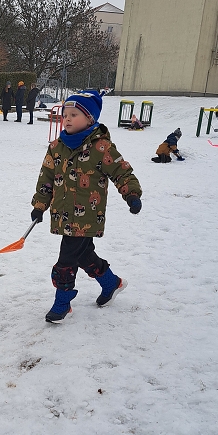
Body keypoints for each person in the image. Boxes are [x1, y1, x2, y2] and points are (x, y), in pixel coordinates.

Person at [30, 90, 142, 323]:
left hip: (87, 216)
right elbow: (46, 178)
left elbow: (122, 172)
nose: (67, 119)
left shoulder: (101, 148)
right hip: (63, 214)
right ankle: (111, 283)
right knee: (83, 256)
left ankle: (63, 301)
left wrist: (131, 195)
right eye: (65, 115)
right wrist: (40, 206)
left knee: (66, 260)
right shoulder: (56, 147)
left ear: (90, 119)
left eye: (74, 114)